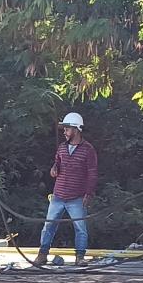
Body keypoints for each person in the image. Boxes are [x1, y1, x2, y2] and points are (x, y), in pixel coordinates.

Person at [36, 112, 97, 265]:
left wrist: (88, 194)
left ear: (76, 130)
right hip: (58, 195)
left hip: (76, 196)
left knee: (80, 228)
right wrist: (54, 168)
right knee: (48, 225)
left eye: (67, 129)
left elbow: (92, 173)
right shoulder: (62, 148)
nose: (64, 132)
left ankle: (80, 257)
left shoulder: (88, 150)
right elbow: (57, 162)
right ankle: (42, 254)